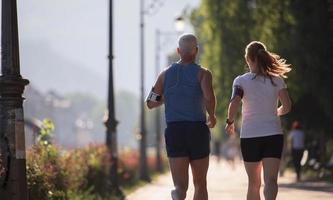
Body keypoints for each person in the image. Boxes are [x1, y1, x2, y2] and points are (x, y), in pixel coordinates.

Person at [146, 33, 216, 200]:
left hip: (175, 131)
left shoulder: (164, 74)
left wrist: (165, 98)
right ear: (196, 51)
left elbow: (150, 102)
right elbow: (209, 98)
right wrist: (212, 116)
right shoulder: (203, 74)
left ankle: (177, 195)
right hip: (197, 130)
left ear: (178, 51)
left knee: (180, 186)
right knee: (200, 184)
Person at [225, 41, 292, 200]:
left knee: (253, 183)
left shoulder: (240, 81)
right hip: (273, 135)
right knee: (271, 180)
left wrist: (230, 122)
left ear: (248, 59)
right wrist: (276, 112)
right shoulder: (277, 80)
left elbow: (234, 102)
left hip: (250, 136)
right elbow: (287, 106)